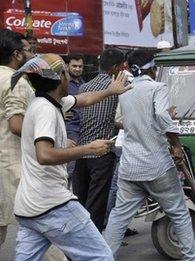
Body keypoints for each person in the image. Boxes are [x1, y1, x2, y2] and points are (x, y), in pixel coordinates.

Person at [11, 53, 131, 260]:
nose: (70, 77)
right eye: (66, 72)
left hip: (29, 207)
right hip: (52, 204)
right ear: (59, 79)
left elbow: (84, 99)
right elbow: (45, 154)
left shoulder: (47, 101)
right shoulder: (46, 110)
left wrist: (110, 91)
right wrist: (89, 149)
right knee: (101, 256)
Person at [103, 49, 195, 260]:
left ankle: (103, 257)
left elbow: (129, 120)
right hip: (156, 166)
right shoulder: (157, 88)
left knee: (118, 218)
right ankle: (190, 258)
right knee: (179, 214)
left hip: (130, 167)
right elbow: (164, 120)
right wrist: (177, 145)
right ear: (152, 69)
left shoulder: (125, 90)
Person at [73, 48, 125, 232]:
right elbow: (117, 119)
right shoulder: (119, 87)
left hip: (81, 152)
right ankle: (91, 246)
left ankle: (78, 242)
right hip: (102, 153)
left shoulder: (84, 87)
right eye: (122, 66)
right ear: (115, 67)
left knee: (80, 202)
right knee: (96, 205)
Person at [0, 29, 35, 250]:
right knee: (41, 226)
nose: (32, 55)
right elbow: (16, 126)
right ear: (17, 54)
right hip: (13, 167)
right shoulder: (16, 81)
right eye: (28, 50)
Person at [65, 54, 85, 184]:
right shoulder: (64, 83)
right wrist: (60, 112)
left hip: (83, 130)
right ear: (67, 66)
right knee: (69, 171)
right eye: (74, 66)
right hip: (70, 130)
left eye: (80, 66)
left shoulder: (84, 84)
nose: (77, 69)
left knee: (78, 171)